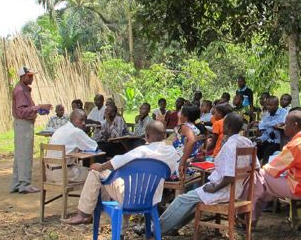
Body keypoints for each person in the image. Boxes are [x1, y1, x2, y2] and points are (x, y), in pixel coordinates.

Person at [61, 121, 179, 226]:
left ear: (147, 136)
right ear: (164, 135)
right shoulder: (171, 152)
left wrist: (100, 166)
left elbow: (115, 162)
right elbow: (170, 172)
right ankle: (120, 233)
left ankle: (84, 214)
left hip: (129, 198)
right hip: (152, 197)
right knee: (133, 185)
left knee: (95, 173)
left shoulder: (141, 151)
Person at [159, 113, 259, 235]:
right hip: (237, 189)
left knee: (182, 199)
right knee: (191, 201)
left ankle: (155, 230)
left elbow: (229, 176)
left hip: (222, 190)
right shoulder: (247, 142)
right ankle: (172, 228)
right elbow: (256, 168)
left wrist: (214, 188)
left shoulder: (230, 146)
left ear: (227, 125)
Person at [10, 66, 52, 194]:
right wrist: (38, 107)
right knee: (25, 155)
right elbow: (22, 111)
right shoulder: (20, 90)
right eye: (29, 76)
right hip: (23, 125)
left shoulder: (23, 89)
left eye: (32, 76)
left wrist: (38, 110)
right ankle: (25, 184)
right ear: (22, 77)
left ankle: (16, 183)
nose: (32, 78)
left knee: (20, 155)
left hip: (23, 124)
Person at [46, 109, 98, 184]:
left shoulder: (60, 130)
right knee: (95, 173)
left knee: (80, 168)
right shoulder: (76, 132)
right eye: (81, 120)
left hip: (49, 173)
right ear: (72, 119)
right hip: (63, 173)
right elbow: (94, 147)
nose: (83, 123)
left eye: (85, 121)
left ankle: (86, 195)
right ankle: (89, 196)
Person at [171, 104, 206, 179]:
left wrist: (182, 163)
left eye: (181, 114)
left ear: (185, 116)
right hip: (192, 166)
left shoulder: (186, 127)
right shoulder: (197, 127)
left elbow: (192, 140)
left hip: (181, 168)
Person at [253, 96, 287, 164]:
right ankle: (254, 169)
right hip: (269, 140)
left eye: (271, 105)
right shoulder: (267, 117)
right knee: (257, 148)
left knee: (268, 151)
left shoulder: (283, 112)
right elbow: (266, 132)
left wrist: (261, 126)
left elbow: (278, 122)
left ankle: (265, 171)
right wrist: (261, 139)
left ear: (277, 105)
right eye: (267, 105)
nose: (268, 107)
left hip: (279, 141)